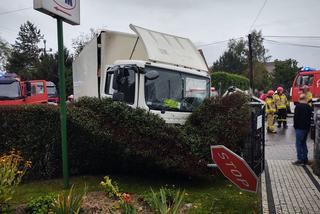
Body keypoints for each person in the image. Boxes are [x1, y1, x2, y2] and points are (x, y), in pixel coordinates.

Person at [293, 94, 313, 165]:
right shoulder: (309, 107)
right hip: (306, 128)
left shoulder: (298, 106)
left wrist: (295, 127)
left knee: (298, 144)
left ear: (299, 99)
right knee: (304, 143)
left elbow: (295, 118)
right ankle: (305, 159)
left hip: (299, 128)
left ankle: (300, 160)